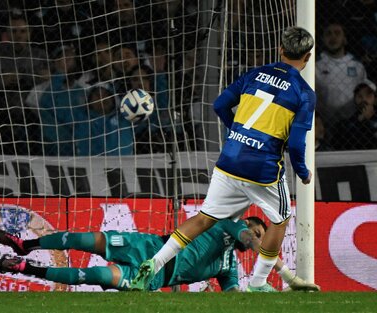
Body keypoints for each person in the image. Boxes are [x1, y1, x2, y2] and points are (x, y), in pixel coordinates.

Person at [130, 26, 315, 292]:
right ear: (307, 57)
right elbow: (297, 143)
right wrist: (302, 171)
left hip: (230, 160)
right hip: (262, 168)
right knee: (281, 218)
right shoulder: (305, 93)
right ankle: (259, 283)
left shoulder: (255, 74)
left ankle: (154, 263)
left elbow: (219, 104)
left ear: (280, 50)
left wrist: (234, 131)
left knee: (204, 218)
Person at [0, 216, 319, 292]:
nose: (256, 239)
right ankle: (25, 245)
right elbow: (248, 238)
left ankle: (24, 268)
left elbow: (234, 295)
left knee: (96, 276)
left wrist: (273, 294)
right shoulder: (228, 227)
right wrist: (277, 262)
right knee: (83, 239)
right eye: (257, 231)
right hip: (149, 246)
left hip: (156, 275)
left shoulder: (228, 267)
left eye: (263, 236)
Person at [315, 21, 368, 128]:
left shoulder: (357, 65)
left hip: (352, 124)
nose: (333, 37)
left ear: (345, 39)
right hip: (323, 123)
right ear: (322, 39)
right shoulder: (315, 65)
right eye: (328, 34)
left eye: (337, 33)